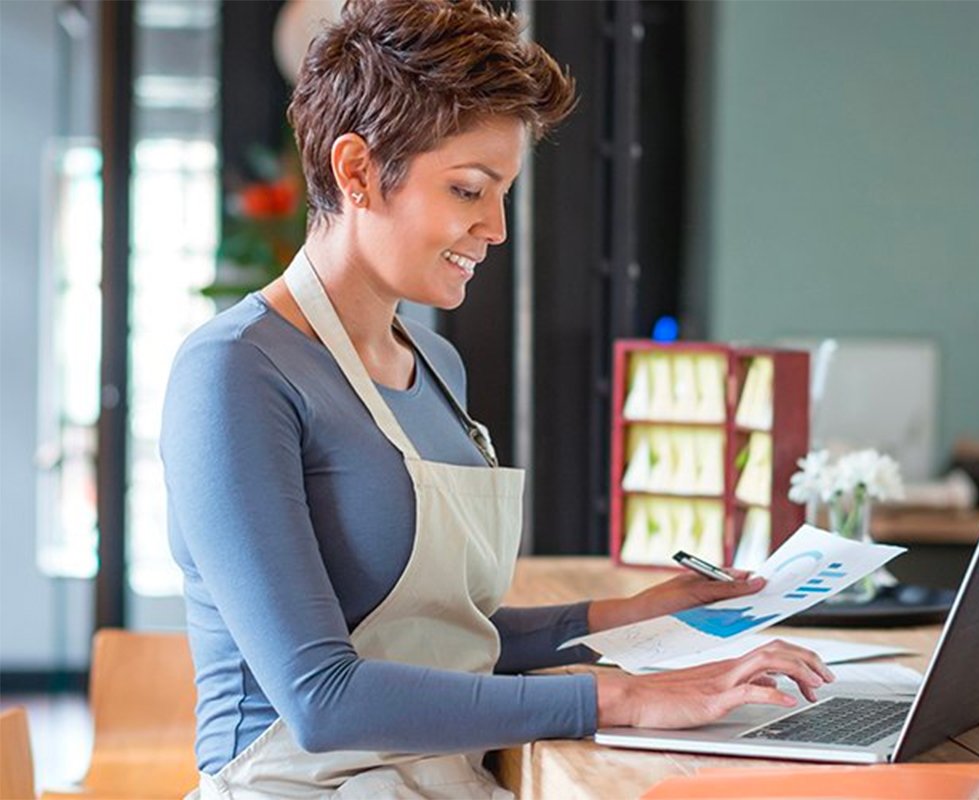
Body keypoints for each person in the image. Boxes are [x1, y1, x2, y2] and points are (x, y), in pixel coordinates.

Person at [161, 1, 834, 797]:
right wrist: (628, 697)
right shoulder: (235, 373)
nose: (496, 228)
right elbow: (323, 699)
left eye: (503, 192)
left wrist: (632, 614)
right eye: (469, 189)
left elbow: (444, 646)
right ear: (355, 171)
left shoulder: (436, 363)